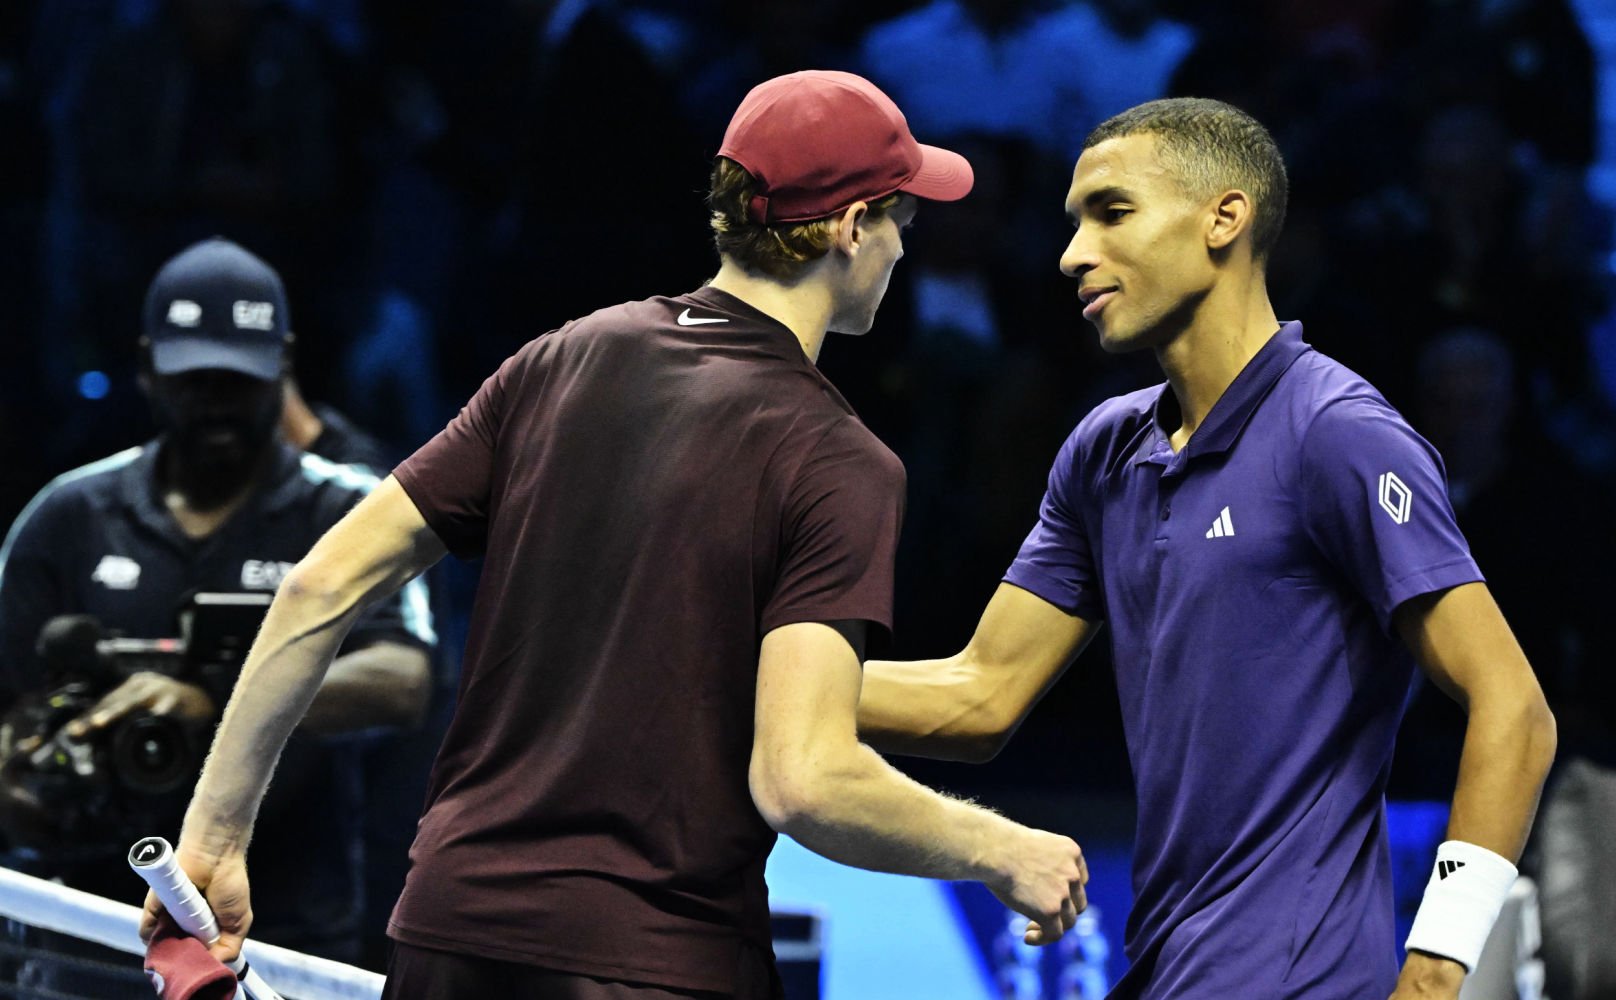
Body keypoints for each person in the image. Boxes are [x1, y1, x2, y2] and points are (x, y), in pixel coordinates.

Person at [150, 71, 1089, 999]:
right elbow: (807, 782)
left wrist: (215, 844)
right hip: (650, 960)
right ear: (849, 228)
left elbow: (319, 588)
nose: (898, 248)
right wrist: (999, 848)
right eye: (898, 221)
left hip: (448, 936)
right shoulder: (839, 459)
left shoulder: (562, 359)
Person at [858, 98, 1557, 999]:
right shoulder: (1103, 450)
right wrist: (740, 681)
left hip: (1298, 979)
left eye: (1112, 213)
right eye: (1074, 223)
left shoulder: (1337, 434)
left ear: (1224, 218)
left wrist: (1430, 976)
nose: (1073, 254)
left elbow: (1516, 709)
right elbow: (978, 696)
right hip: (1165, 968)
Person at [0, 237, 435, 976]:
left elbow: (406, 679)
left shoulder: (351, 507)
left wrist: (213, 698)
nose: (216, 403)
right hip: (85, 924)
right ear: (146, 368)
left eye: (238, 382)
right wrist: (23, 793)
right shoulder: (65, 515)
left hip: (283, 930)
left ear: (283, 367)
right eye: (194, 381)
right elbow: (9, 710)